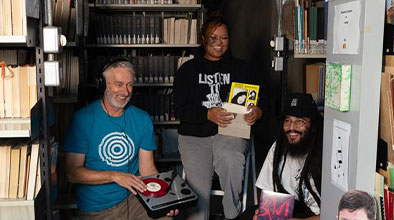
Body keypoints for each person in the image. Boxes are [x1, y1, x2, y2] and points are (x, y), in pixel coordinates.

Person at [174, 13, 263, 220]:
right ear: (203, 39)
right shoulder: (187, 70)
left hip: (230, 132)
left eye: (224, 37)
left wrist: (258, 112)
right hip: (194, 135)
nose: (219, 43)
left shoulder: (243, 68)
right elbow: (180, 110)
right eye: (213, 38)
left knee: (231, 158)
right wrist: (207, 113)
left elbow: (261, 103)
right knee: (198, 191)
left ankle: (232, 213)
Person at [64, 58, 178, 220]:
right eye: (119, 84)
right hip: (97, 209)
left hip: (136, 199)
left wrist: (164, 199)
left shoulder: (142, 119)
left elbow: (147, 169)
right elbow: (72, 173)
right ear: (104, 86)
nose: (125, 92)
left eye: (129, 85)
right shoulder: (82, 120)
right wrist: (115, 176)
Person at [254, 93, 323, 220]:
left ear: (312, 125)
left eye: (300, 121)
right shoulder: (279, 147)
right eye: (287, 121)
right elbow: (270, 196)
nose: (291, 128)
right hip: (290, 209)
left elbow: (338, 213)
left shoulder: (324, 153)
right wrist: (264, 215)